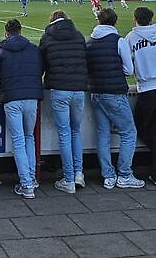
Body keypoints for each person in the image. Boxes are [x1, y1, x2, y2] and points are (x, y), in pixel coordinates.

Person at [87, 8, 144, 189]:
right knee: (129, 132)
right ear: (115, 21)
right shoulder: (118, 41)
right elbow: (128, 69)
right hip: (114, 92)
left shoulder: (90, 41)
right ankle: (125, 174)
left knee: (103, 134)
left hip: (96, 92)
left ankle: (108, 176)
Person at [0, 19, 43, 199]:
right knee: (29, 137)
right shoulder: (34, 49)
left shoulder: (1, 49)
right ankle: (31, 179)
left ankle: (27, 183)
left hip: (12, 97)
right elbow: (40, 69)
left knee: (19, 140)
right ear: (20, 31)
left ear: (6, 32)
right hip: (31, 97)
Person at [39, 10, 88, 194]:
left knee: (65, 133)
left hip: (60, 89)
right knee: (76, 131)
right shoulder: (78, 36)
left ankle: (68, 178)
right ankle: (78, 173)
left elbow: (41, 64)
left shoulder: (47, 37)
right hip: (78, 89)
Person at [125, 7, 156, 186]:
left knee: (140, 127)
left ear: (135, 19)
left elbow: (127, 66)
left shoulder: (131, 38)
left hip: (148, 89)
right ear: (151, 19)